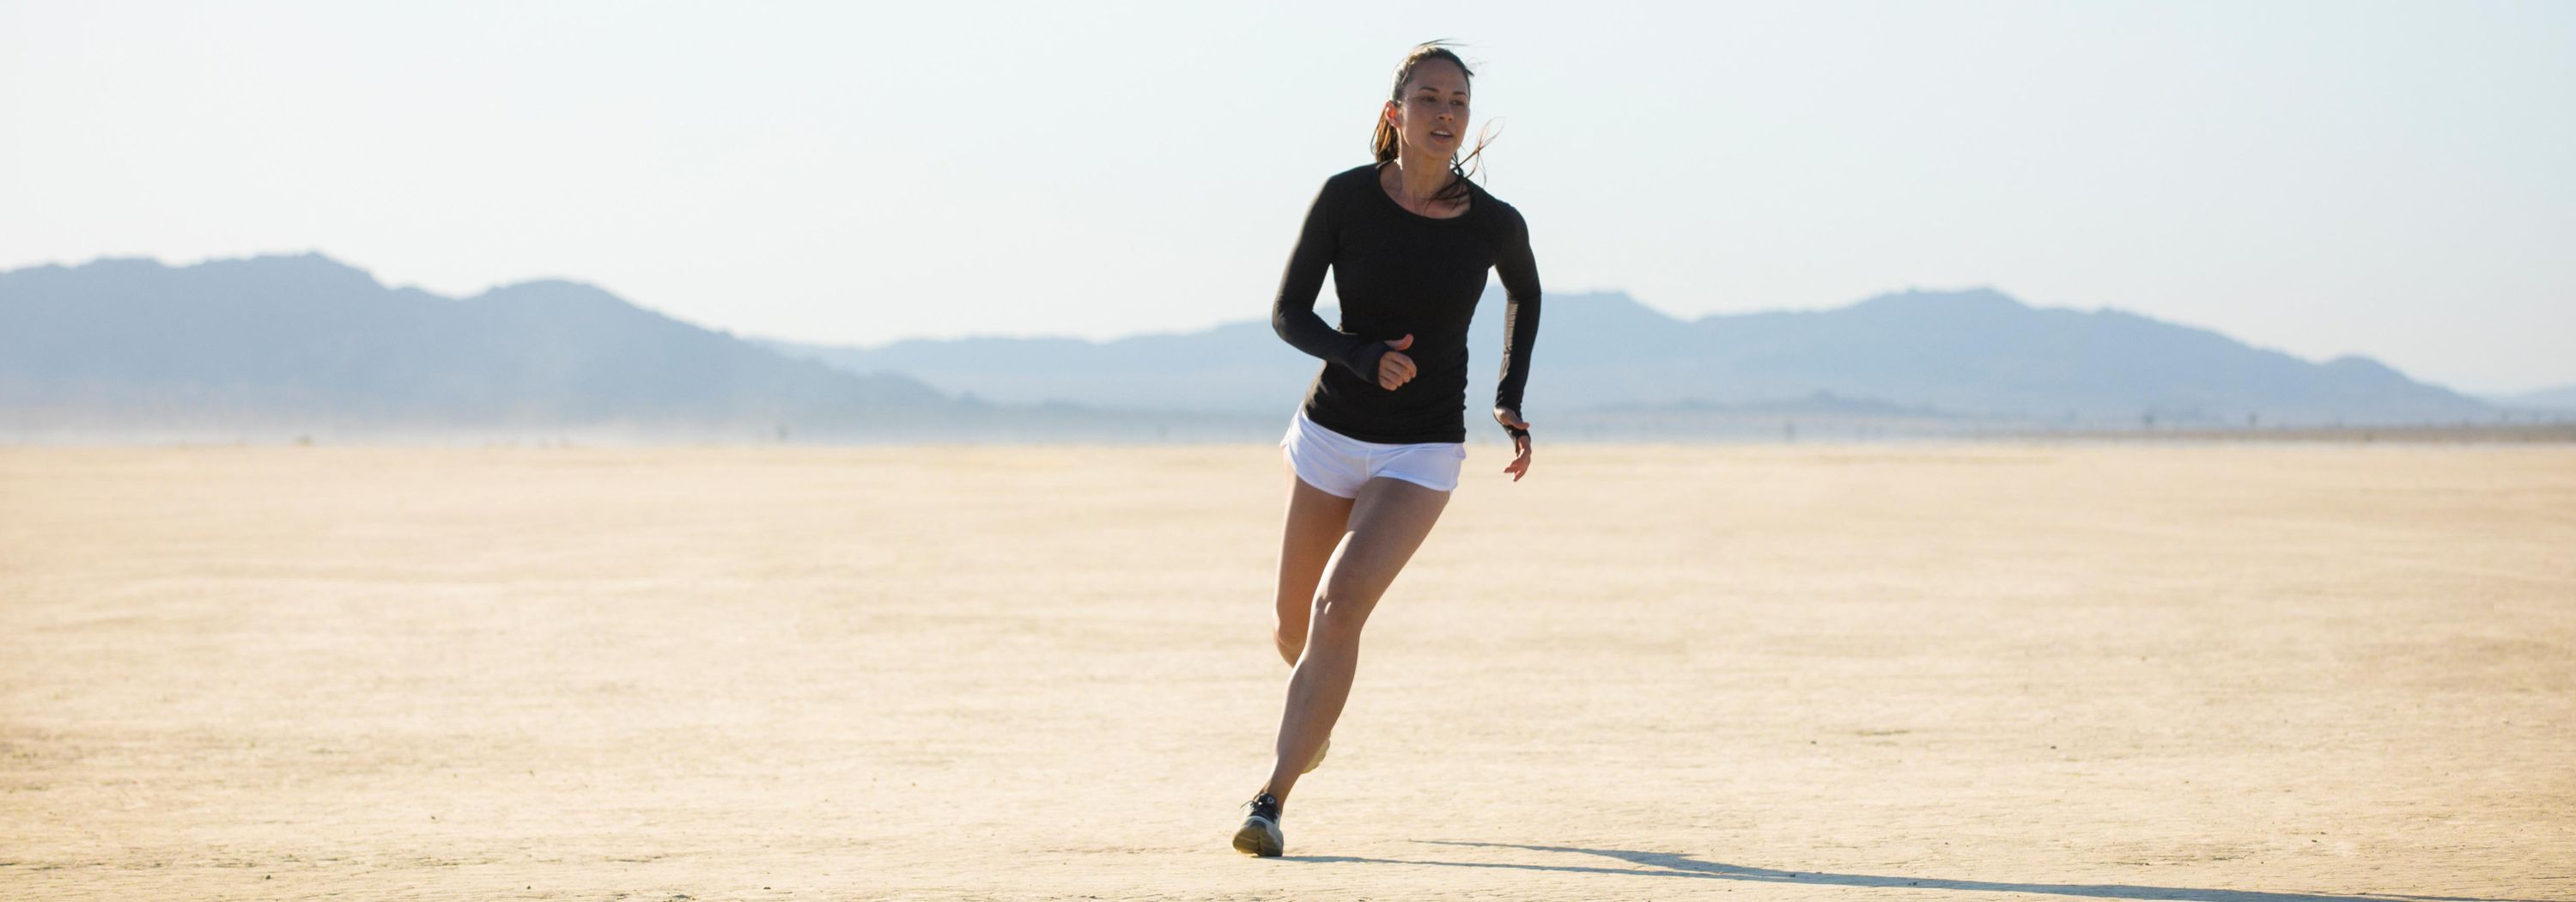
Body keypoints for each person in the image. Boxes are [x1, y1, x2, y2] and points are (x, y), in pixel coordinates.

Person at [1232, 41, 1542, 858]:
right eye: (1430, 99)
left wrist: (1508, 397)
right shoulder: (1346, 200)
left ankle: (1270, 799)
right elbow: (1289, 314)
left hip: (1422, 449)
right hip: (1331, 433)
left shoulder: (1493, 223)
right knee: (1290, 626)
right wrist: (1360, 355)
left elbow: (1526, 294)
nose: (1446, 115)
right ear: (1394, 112)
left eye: (1458, 104)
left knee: (1340, 608)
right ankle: (1316, 717)